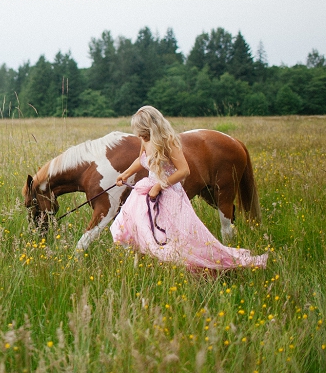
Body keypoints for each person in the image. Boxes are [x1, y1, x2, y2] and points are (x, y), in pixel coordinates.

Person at [110, 106, 267, 271]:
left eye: (142, 131)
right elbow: (141, 159)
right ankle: (143, 264)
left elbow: (184, 170)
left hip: (167, 190)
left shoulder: (168, 142)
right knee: (133, 224)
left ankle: (188, 262)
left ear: (152, 127)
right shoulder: (145, 140)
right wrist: (125, 174)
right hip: (148, 188)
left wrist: (159, 185)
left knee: (171, 232)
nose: (139, 135)